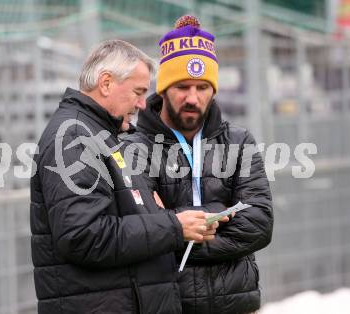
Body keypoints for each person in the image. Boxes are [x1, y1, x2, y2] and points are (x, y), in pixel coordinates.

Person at [30, 39, 223, 314]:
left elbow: (123, 217)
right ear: (106, 83)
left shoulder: (101, 135)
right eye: (138, 92)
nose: (143, 104)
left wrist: (164, 216)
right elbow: (84, 236)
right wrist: (173, 227)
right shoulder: (73, 137)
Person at [124, 16, 274, 314]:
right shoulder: (134, 147)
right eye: (182, 86)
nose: (192, 98)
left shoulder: (239, 141)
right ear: (164, 88)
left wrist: (176, 227)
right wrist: (224, 214)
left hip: (236, 303)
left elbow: (259, 224)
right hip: (168, 303)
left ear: (214, 90)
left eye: (202, 87)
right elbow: (138, 231)